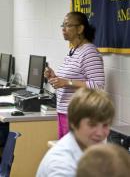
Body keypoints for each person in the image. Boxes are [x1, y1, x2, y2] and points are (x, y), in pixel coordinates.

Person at [44, 11, 105, 139]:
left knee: (75, 157)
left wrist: (66, 82)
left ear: (80, 28)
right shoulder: (74, 50)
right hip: (64, 112)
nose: (63, 29)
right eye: (63, 25)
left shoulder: (89, 52)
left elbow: (98, 86)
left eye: (67, 25)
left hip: (80, 116)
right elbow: (68, 80)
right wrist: (54, 78)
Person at [36, 87, 115, 177]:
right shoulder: (62, 164)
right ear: (74, 122)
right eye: (92, 125)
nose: (100, 133)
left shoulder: (89, 146)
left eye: (105, 125)